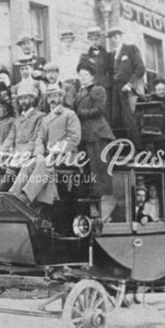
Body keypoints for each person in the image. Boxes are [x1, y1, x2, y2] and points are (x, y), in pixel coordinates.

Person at [22, 85, 81, 206]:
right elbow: (39, 138)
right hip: (49, 156)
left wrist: (57, 150)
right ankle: (15, 194)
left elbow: (74, 138)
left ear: (61, 97)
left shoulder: (69, 114)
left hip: (66, 156)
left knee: (45, 164)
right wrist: (38, 154)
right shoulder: (46, 118)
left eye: (55, 96)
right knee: (28, 165)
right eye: (49, 97)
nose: (52, 99)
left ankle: (27, 196)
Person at [74, 63, 115, 215]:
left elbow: (99, 109)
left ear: (92, 76)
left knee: (100, 169)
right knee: (88, 171)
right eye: (80, 74)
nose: (82, 77)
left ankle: (106, 206)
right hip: (85, 136)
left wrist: (80, 113)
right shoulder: (80, 92)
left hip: (97, 133)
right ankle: (93, 207)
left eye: (85, 74)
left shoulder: (97, 90)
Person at [106, 26, 145, 142]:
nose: (113, 39)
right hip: (115, 89)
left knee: (129, 118)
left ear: (120, 36)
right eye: (111, 37)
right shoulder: (112, 55)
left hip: (128, 89)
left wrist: (130, 84)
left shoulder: (130, 49)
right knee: (115, 118)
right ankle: (123, 150)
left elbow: (140, 69)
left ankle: (138, 150)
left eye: (116, 36)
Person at [6, 82, 44, 194]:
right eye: (20, 98)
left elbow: (35, 138)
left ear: (32, 99)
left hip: (28, 154)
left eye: (26, 98)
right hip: (15, 153)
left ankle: (12, 195)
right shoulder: (17, 119)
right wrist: (2, 151)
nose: (23, 101)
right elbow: (10, 138)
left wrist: (24, 153)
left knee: (22, 166)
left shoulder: (39, 116)